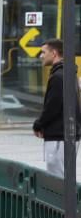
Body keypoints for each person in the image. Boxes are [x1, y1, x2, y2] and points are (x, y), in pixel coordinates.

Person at [33, 39, 71, 178]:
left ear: (54, 53)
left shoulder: (58, 76)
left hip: (58, 135)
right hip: (64, 133)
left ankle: (63, 200)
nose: (41, 56)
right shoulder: (67, 73)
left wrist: (38, 124)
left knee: (57, 177)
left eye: (43, 52)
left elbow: (53, 106)